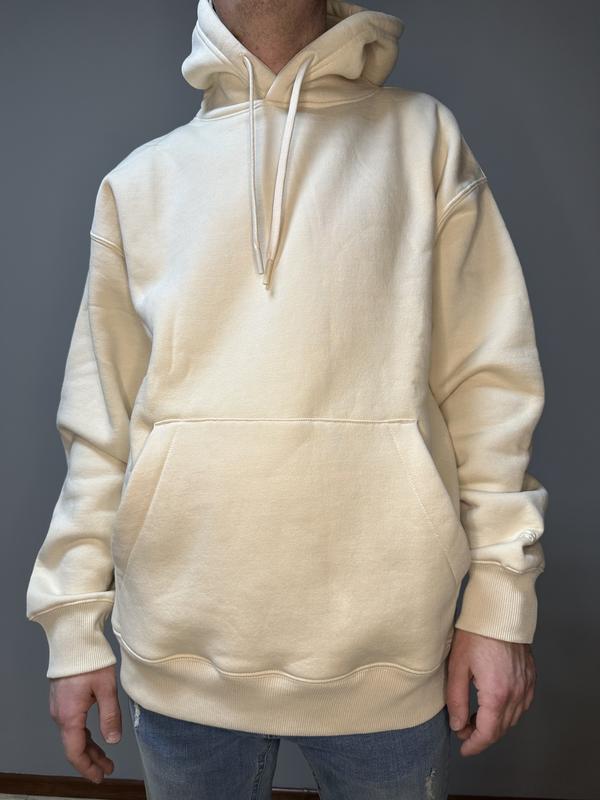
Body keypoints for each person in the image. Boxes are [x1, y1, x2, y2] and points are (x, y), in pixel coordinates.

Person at [25, 0, 548, 797]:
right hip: (180, 656)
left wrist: (500, 604)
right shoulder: (139, 185)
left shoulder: (424, 143)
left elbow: (489, 388)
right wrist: (73, 627)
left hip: (389, 656)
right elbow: (99, 431)